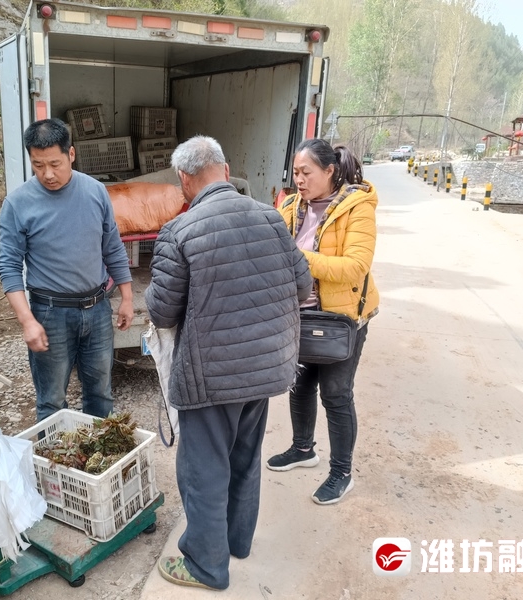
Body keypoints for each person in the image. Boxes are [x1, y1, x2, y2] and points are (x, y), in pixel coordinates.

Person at [146, 135, 312, 590]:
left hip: (211, 377)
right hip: (266, 369)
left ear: (184, 180)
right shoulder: (271, 218)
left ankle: (206, 566)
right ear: (225, 169)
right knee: (244, 457)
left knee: (203, 470)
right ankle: (237, 542)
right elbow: (303, 286)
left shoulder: (179, 231)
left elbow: (162, 312)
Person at [266, 139, 380, 506]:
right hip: (300, 314)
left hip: (341, 318)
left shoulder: (357, 208)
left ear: (329, 171)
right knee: (299, 386)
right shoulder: (290, 206)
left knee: (336, 393)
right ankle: (303, 449)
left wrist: (300, 258)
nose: (298, 180)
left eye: (306, 173)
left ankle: (341, 473)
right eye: (295, 173)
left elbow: (355, 266)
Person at [0, 118, 133, 422]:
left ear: (71, 154)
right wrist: (27, 321)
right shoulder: (18, 204)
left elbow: (112, 246)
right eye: (38, 165)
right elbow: (8, 266)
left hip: (97, 309)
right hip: (50, 314)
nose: (47, 174)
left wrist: (126, 297)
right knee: (52, 400)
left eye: (55, 164)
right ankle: (53, 454)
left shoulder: (95, 191)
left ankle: (99, 452)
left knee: (100, 394)